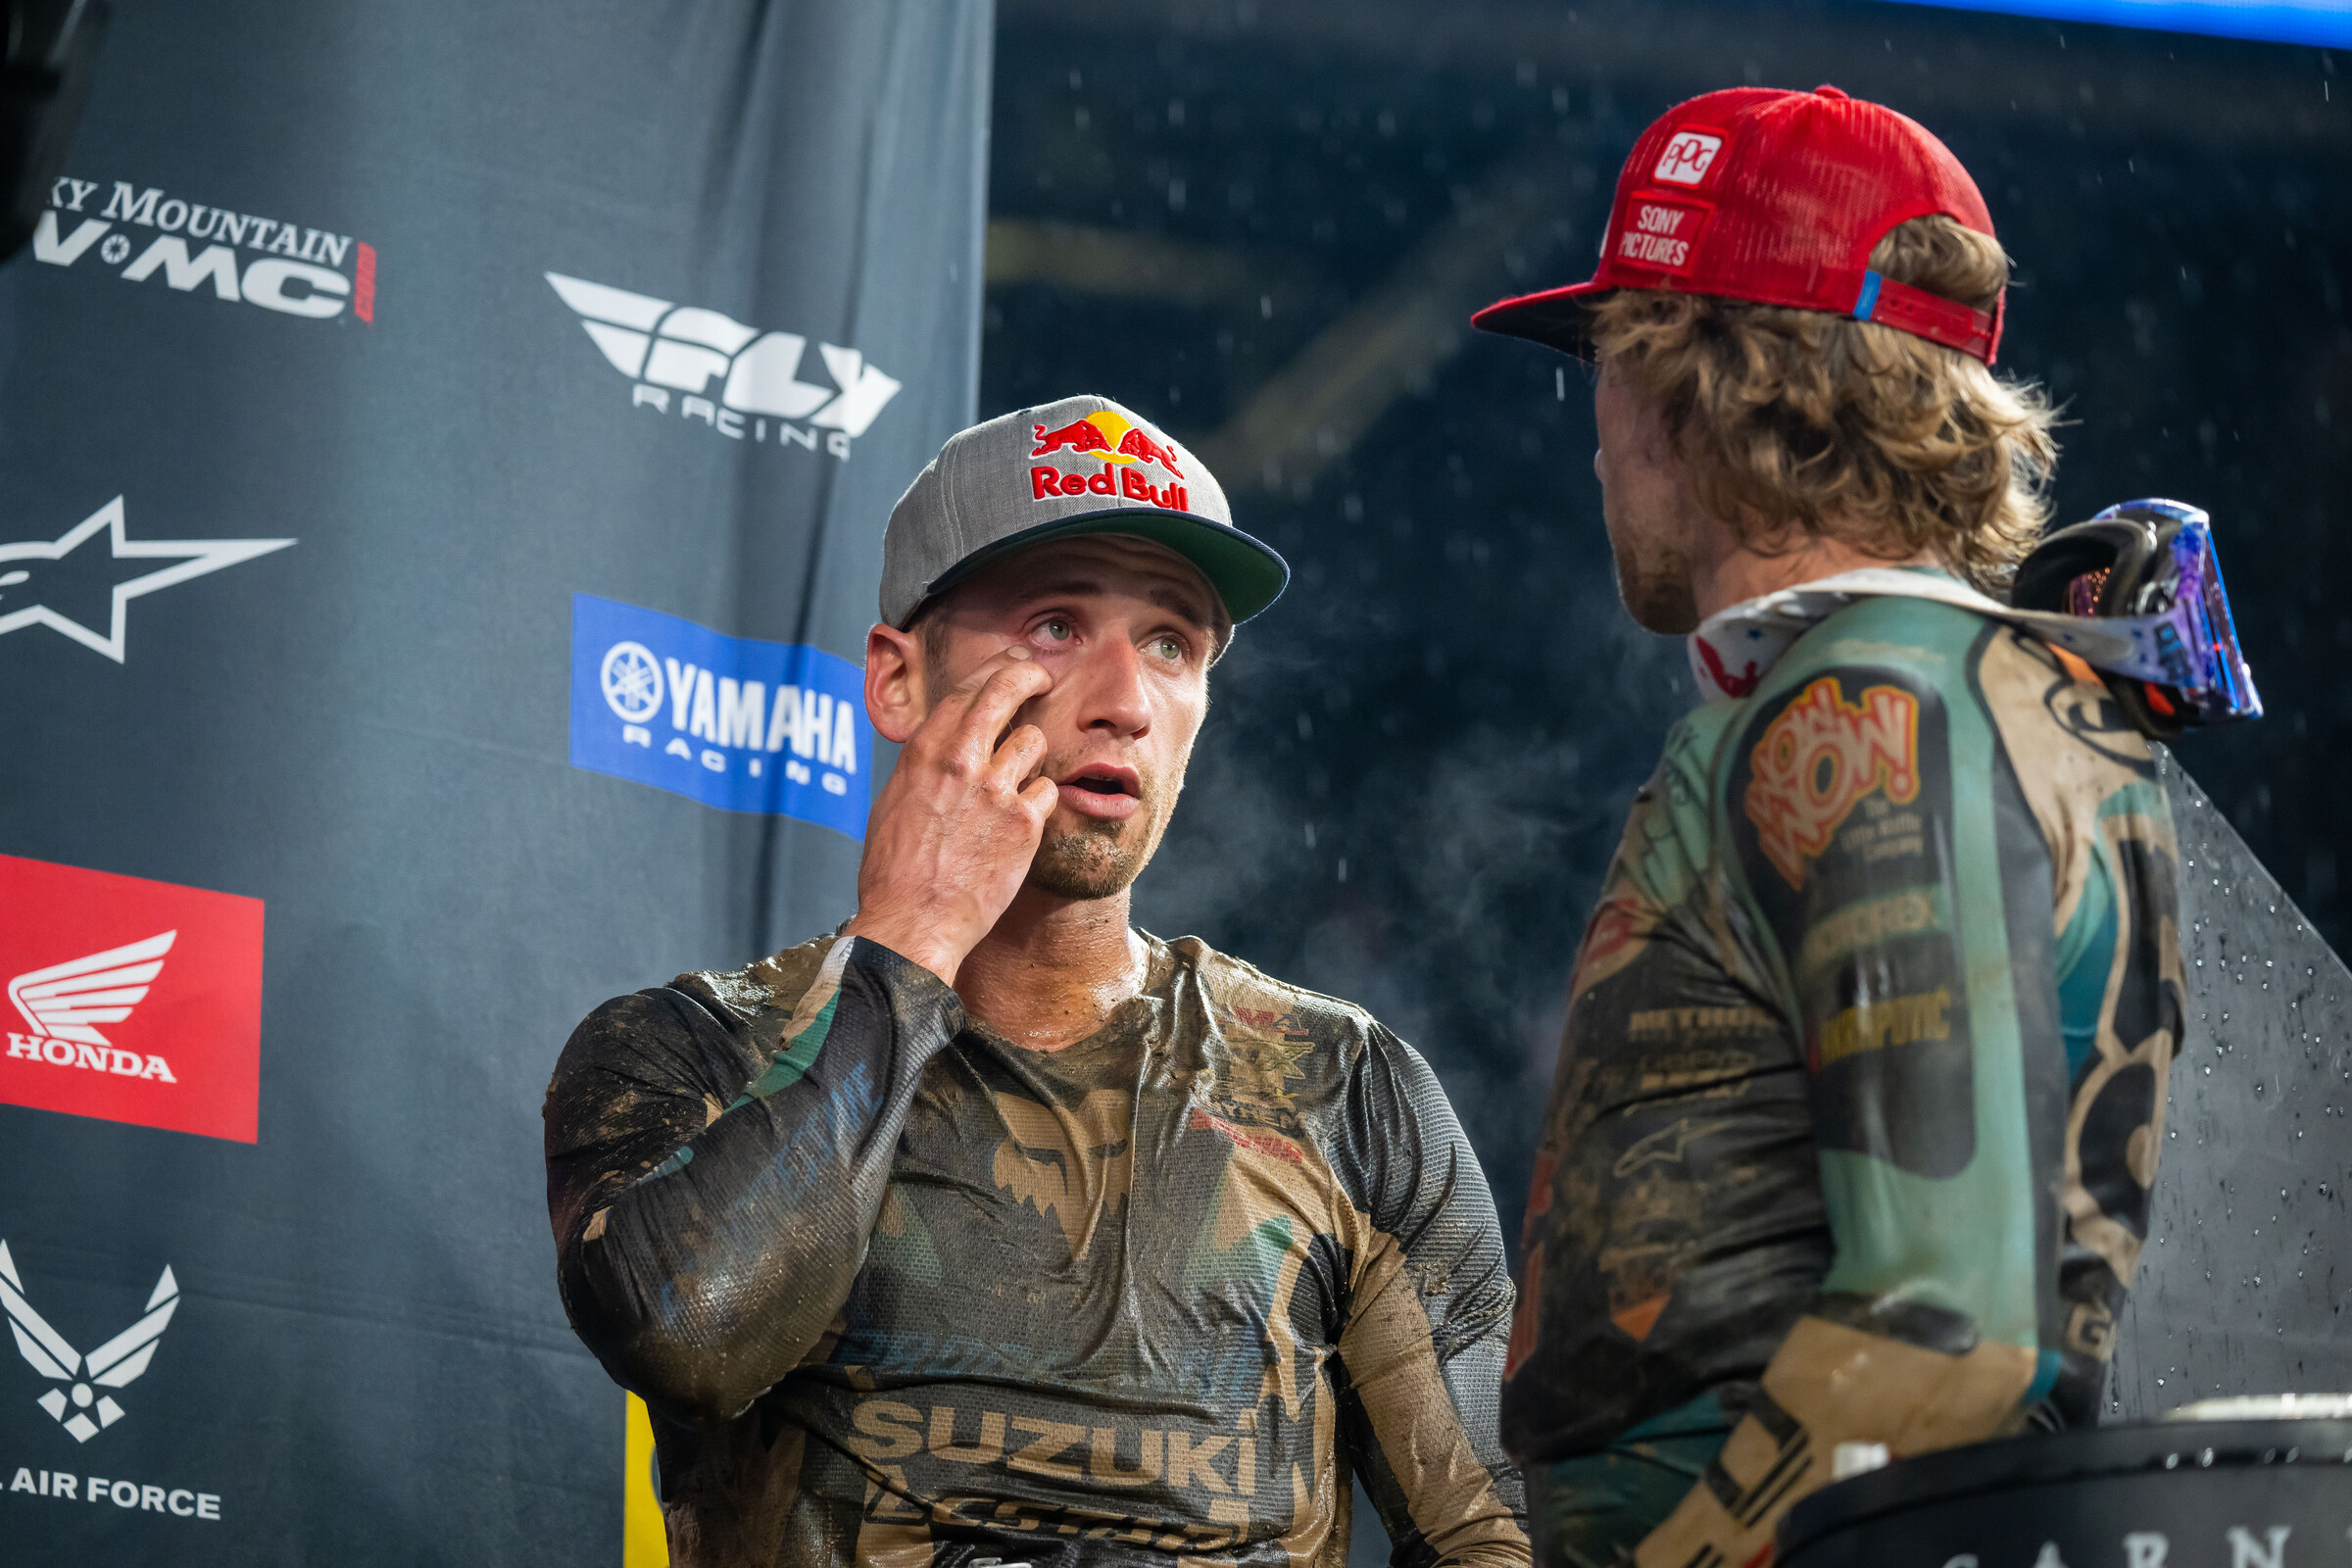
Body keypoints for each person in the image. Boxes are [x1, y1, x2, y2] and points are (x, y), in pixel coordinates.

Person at [543, 396, 1531, 1567]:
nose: (1124, 697)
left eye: (1173, 642)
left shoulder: (1343, 1088)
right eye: (1057, 625)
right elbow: (691, 1335)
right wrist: (911, 934)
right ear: (899, 678)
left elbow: (1492, 1535)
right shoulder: (692, 1050)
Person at [1469, 88, 2185, 1568]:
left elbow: (1947, 1334)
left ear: (1687, 386)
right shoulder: (1944, 693)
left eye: (1605, 364)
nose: (1595, 438)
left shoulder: (1872, 714)